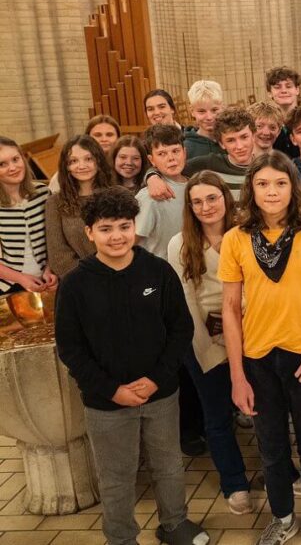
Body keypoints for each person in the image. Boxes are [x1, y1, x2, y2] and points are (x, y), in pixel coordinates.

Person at [55, 187, 208, 545]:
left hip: (161, 394)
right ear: (89, 232)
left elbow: (180, 329)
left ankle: (174, 523)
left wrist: (156, 380)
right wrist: (112, 390)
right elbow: (71, 348)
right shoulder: (76, 284)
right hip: (106, 402)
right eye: (106, 229)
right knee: (116, 475)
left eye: (124, 226)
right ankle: (121, 538)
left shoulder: (157, 271)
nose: (117, 236)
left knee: (168, 465)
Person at [220, 152, 301, 545]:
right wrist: (237, 375)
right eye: (262, 184)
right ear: (251, 190)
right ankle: (282, 518)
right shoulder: (235, 238)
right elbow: (229, 308)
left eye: (279, 183)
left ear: (292, 188)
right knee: (272, 447)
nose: (271, 191)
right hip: (258, 358)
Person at [167, 172, 253, 515]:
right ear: (190, 207)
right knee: (216, 415)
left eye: (212, 198)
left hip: (251, 331)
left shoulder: (245, 234)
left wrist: (246, 335)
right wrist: (211, 347)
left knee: (262, 409)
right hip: (203, 336)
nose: (206, 207)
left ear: (225, 198)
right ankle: (234, 482)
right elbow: (187, 301)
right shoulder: (180, 244)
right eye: (197, 201)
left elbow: (256, 286)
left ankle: (283, 471)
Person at [45, 135, 115, 277]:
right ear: (66, 166)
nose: (81, 166)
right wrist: (89, 279)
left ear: (99, 161)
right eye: (73, 161)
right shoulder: (54, 202)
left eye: (88, 159)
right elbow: (58, 255)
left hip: (117, 274)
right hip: (78, 282)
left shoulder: (115, 195)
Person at [0, 137, 56, 294]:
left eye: (15, 159)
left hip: (48, 279)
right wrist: (21, 278)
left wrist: (50, 268)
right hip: (8, 284)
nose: (12, 168)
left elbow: (55, 238)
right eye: (2, 164)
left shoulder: (44, 194)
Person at [135, 125, 188, 260]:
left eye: (176, 151)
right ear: (152, 160)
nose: (171, 158)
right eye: (161, 154)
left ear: (185, 153)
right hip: (159, 272)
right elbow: (132, 240)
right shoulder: (149, 196)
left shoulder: (195, 186)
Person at [182, 109, 260, 198]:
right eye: (230, 140)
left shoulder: (266, 166)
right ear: (222, 144)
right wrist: (161, 180)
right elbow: (173, 171)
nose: (239, 146)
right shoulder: (210, 164)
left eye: (244, 137)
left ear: (253, 136)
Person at [265, 67, 301, 158]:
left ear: (297, 90)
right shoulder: (266, 124)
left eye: (288, 86)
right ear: (269, 93)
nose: (284, 91)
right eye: (277, 87)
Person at [183, 80, 226, 160]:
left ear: (222, 108)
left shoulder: (232, 142)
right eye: (201, 111)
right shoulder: (185, 148)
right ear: (192, 111)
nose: (209, 117)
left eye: (214, 110)